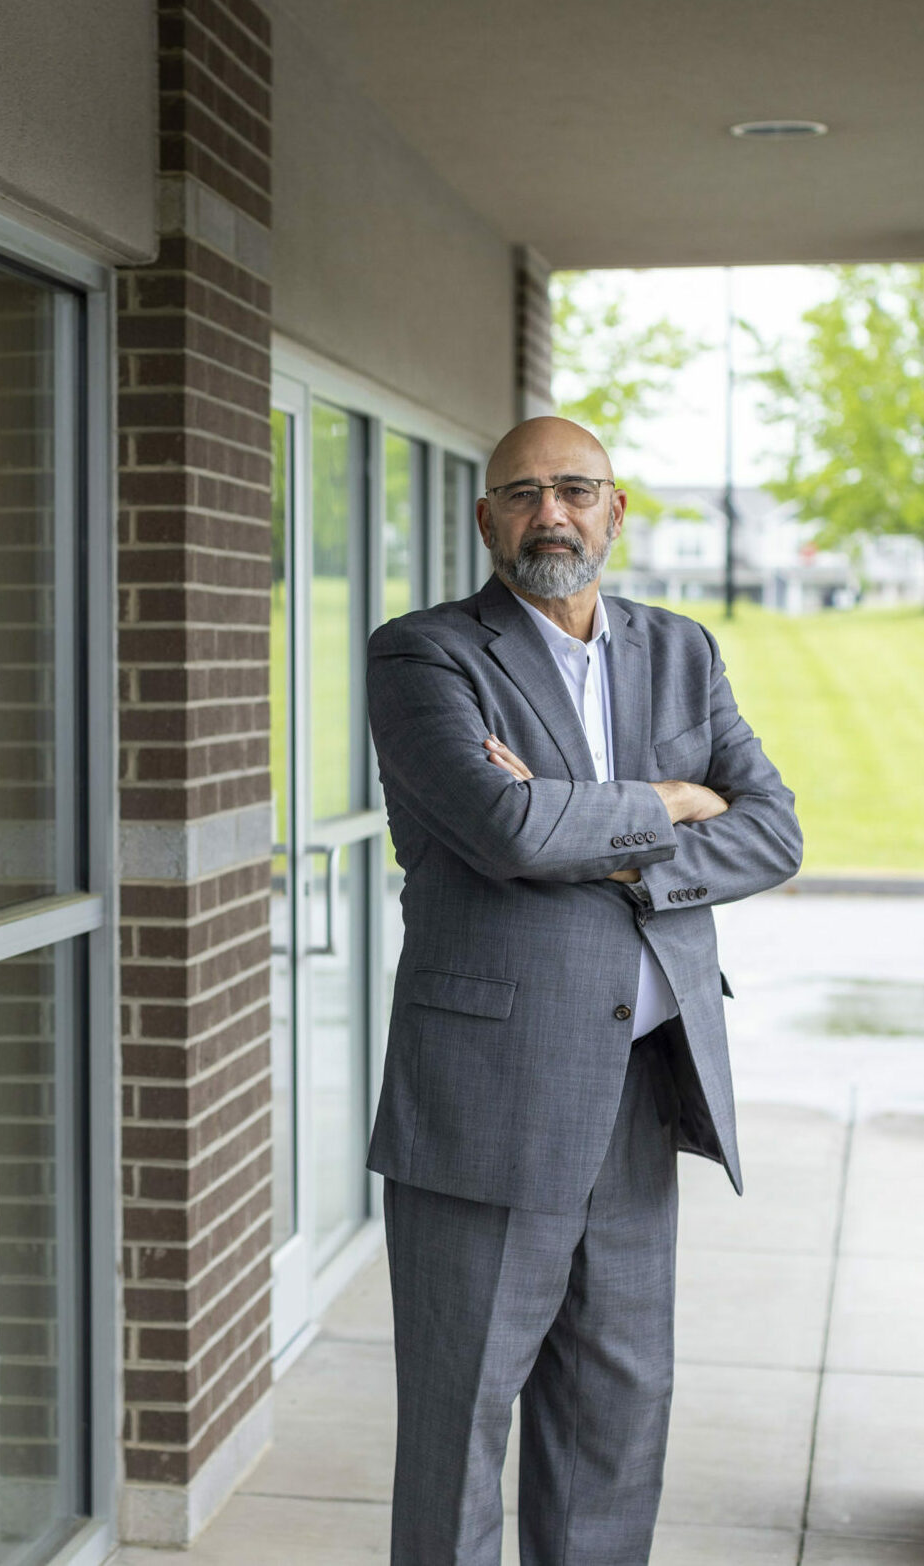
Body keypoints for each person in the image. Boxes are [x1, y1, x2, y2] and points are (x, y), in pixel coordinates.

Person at [365, 416, 802, 1566]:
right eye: (521, 494)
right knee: (459, 1428)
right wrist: (672, 797)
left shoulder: (679, 649)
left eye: (573, 489)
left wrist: (589, 827)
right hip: (485, 1101)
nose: (548, 514)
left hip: (640, 1091)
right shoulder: (423, 655)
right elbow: (503, 826)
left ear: (616, 509)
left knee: (616, 1425)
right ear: (484, 520)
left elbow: (773, 832)